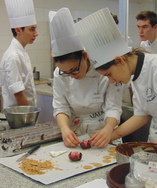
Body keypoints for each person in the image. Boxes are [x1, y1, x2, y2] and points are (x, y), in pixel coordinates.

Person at [75, 8, 157, 169]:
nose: (111, 81)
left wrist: (148, 154)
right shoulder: (136, 74)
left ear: (120, 60)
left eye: (110, 74)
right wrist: (110, 134)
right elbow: (141, 116)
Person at [49, 8, 123, 148]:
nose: (72, 76)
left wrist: (108, 130)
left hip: (105, 134)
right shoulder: (59, 73)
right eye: (66, 72)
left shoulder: (104, 69)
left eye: (74, 70)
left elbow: (113, 107)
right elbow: (60, 107)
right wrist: (65, 129)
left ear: (84, 56)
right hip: (76, 134)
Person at [0, 0, 38, 108]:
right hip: (20, 117)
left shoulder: (21, 52)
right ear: (18, 30)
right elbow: (19, 94)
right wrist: (29, 117)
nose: (36, 33)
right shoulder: (13, 56)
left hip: (25, 115)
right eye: (32, 29)